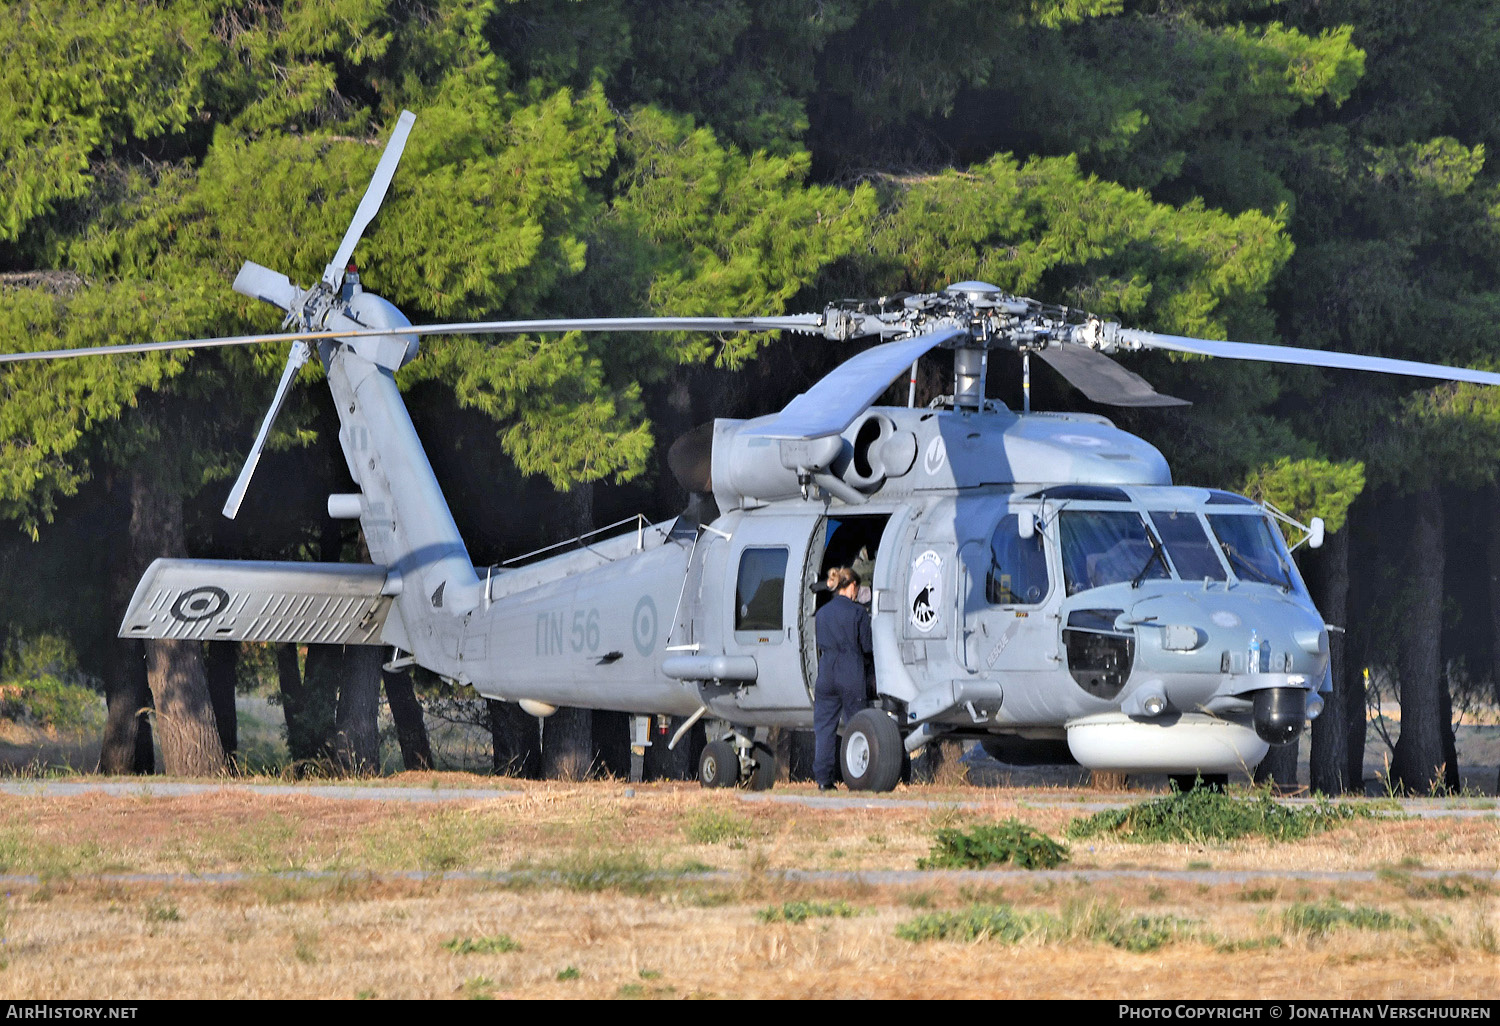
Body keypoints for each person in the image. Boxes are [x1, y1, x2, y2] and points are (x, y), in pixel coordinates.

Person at [813, 566, 872, 790]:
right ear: (852, 586)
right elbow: (867, 646)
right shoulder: (858, 613)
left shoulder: (822, 614)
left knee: (824, 728)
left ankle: (823, 780)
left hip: (826, 671)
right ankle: (859, 774)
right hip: (850, 670)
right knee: (858, 725)